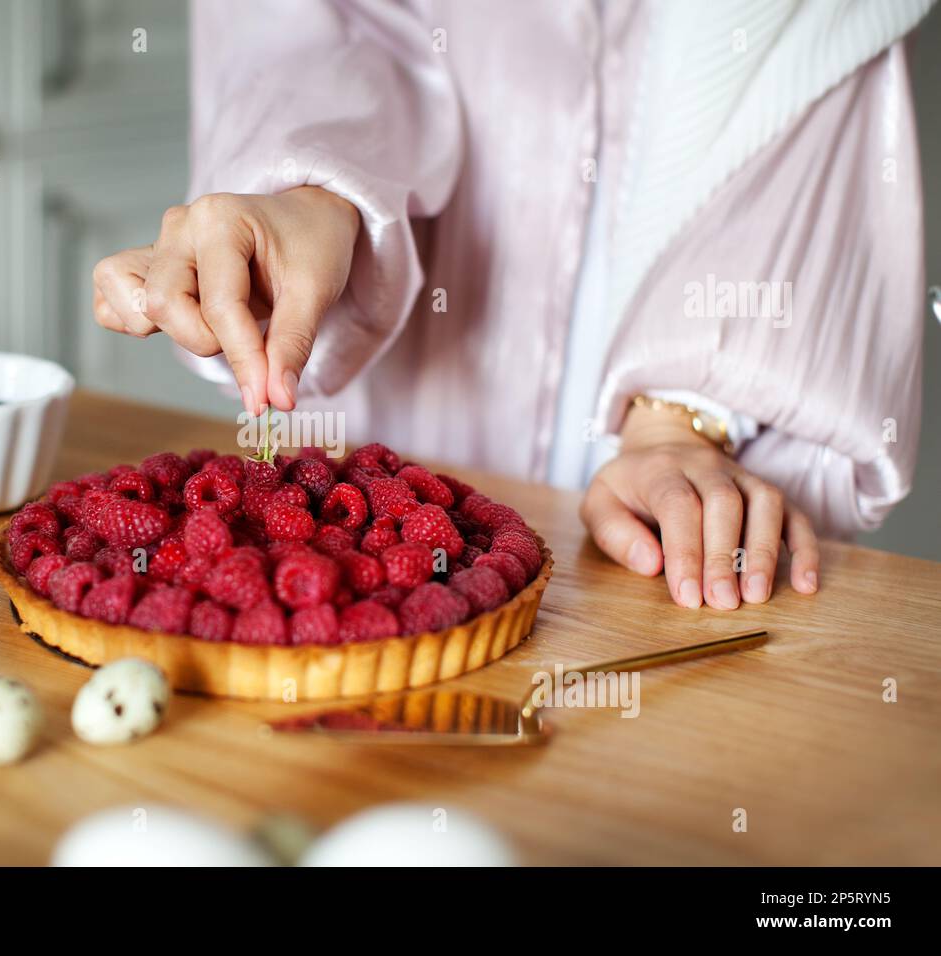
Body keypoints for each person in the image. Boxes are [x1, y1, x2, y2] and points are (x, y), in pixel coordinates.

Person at [91, 0, 932, 610]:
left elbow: (798, 39)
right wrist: (310, 191)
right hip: (418, 364)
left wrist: (685, 414)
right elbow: (310, 25)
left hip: (693, 467)